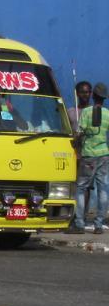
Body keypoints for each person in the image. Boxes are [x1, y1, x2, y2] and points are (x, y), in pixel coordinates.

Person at [70, 82, 109, 234]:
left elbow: (78, 132)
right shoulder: (107, 113)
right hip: (104, 154)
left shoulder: (86, 113)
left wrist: (75, 140)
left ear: (93, 96)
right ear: (104, 98)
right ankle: (98, 225)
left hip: (88, 155)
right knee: (103, 190)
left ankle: (79, 223)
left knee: (81, 188)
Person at [69, 80, 92, 223]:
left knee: (86, 187)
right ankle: (72, 214)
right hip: (72, 154)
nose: (86, 95)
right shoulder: (71, 112)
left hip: (88, 153)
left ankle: (81, 216)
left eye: (88, 92)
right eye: (83, 92)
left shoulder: (93, 112)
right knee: (73, 185)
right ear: (77, 94)